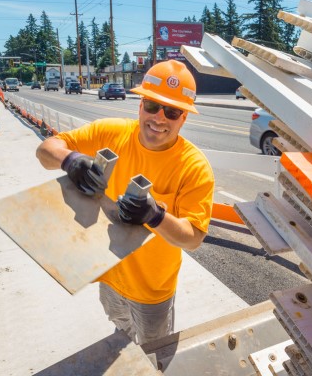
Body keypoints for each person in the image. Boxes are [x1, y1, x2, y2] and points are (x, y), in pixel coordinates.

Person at [36, 60, 215, 345]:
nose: (159, 118)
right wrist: (71, 161)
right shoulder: (110, 133)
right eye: (152, 106)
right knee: (121, 330)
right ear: (140, 105)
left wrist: (155, 216)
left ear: (184, 118)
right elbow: (45, 150)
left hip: (151, 290)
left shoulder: (193, 167)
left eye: (172, 112)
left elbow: (192, 238)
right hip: (108, 273)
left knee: (154, 347)